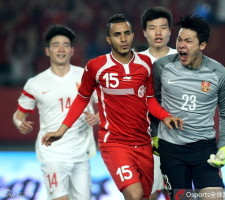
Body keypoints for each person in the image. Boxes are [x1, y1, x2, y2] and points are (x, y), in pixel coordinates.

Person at [41, 14, 184, 200]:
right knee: (135, 194)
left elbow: (149, 99)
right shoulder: (96, 66)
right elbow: (82, 99)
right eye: (117, 35)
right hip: (114, 143)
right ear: (108, 39)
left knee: (145, 197)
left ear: (133, 35)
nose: (123, 39)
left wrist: (165, 116)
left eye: (126, 33)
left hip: (143, 143)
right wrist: (62, 130)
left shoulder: (146, 64)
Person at [152, 15, 225, 200]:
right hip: (171, 149)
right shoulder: (161, 67)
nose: (181, 45)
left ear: (202, 45)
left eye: (188, 41)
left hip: (204, 150)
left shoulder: (220, 74)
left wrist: (224, 147)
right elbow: (153, 101)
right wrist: (154, 134)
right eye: (179, 39)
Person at [12, 25, 99, 200]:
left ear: (72, 50)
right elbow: (19, 115)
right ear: (47, 50)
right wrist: (19, 123)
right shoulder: (35, 83)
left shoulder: (86, 76)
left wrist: (98, 117)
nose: (61, 49)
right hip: (52, 153)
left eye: (66, 45)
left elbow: (108, 104)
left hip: (80, 154)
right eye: (56, 45)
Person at [140, 7, 176, 200]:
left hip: (179, 138)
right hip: (146, 140)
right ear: (144, 32)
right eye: (153, 28)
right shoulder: (137, 62)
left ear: (170, 30)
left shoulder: (185, 59)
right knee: (148, 194)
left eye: (163, 27)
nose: (158, 32)